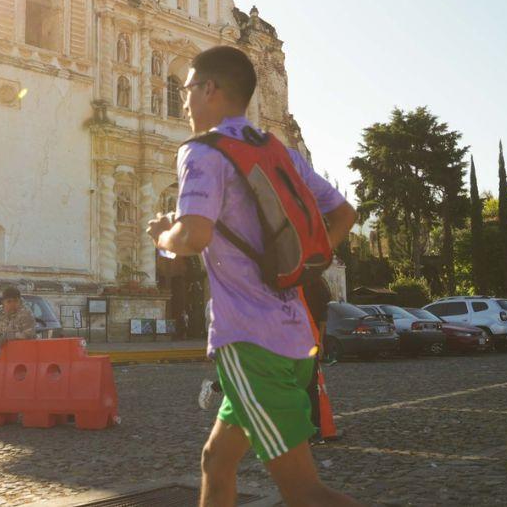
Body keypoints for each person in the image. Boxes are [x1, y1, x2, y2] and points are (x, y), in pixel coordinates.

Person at [146, 46, 359, 507]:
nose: (183, 101)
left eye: (186, 89)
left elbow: (195, 235)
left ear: (209, 89)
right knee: (216, 460)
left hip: (251, 344)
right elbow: (343, 212)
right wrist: (304, 266)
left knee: (305, 493)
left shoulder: (202, 151)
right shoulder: (273, 149)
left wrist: (163, 236)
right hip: (294, 335)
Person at [302, 278, 332, 443]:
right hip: (310, 340)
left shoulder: (299, 284)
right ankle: (315, 428)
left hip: (302, 340)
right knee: (310, 386)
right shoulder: (316, 284)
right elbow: (322, 318)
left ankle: (311, 428)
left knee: (305, 386)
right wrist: (320, 341)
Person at [0, 286, 36, 359]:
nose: (12, 304)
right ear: (3, 302)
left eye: (15, 301)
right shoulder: (0, 311)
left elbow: (30, 335)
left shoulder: (25, 312)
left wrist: (11, 336)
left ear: (19, 301)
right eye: (9, 301)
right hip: (6, 353)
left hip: (24, 354)